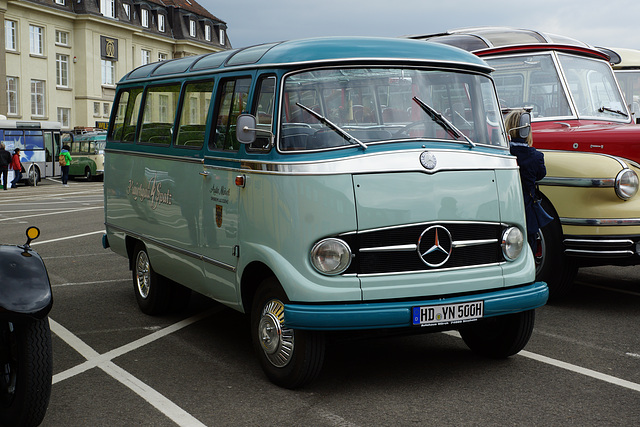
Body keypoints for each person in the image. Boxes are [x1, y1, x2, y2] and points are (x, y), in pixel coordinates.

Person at [505, 109, 547, 251]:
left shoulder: (504, 154)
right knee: (529, 247)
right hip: (527, 209)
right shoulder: (536, 157)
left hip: (505, 207)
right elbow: (541, 174)